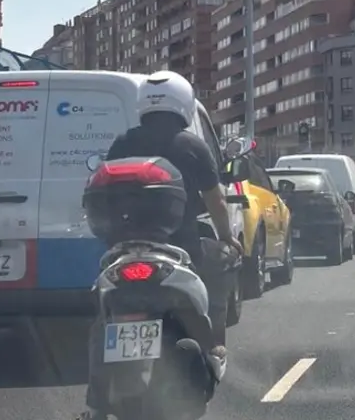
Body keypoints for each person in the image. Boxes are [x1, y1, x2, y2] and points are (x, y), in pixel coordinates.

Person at [85, 71, 242, 413]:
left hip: (122, 249)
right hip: (180, 248)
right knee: (220, 264)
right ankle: (214, 348)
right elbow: (215, 199)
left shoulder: (123, 142)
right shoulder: (191, 145)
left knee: (102, 315)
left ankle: (95, 404)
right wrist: (227, 237)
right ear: (183, 103)